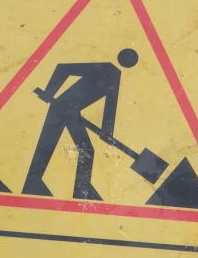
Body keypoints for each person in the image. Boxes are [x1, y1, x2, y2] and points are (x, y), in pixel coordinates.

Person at [24, 48, 139, 200]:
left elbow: (110, 106)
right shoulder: (105, 68)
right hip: (60, 109)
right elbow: (64, 68)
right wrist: (49, 92)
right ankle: (35, 184)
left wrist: (107, 133)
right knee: (47, 146)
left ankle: (80, 189)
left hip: (71, 113)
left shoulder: (114, 75)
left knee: (85, 150)